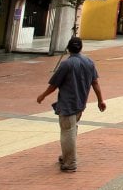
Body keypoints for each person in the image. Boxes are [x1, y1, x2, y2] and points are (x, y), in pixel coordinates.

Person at [36, 37, 106, 173]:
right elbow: (95, 83)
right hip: (80, 103)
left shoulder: (66, 65)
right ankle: (66, 156)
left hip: (68, 104)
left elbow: (54, 85)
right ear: (81, 48)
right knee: (72, 130)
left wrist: (43, 95)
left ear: (68, 48)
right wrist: (100, 100)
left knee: (68, 132)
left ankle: (70, 162)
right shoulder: (89, 62)